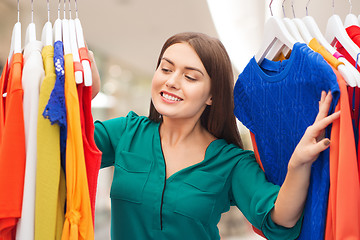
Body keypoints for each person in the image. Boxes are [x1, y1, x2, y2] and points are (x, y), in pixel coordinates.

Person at [89, 32, 340, 240]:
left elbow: (281, 218)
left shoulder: (231, 162)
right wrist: (84, 98)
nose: (172, 81)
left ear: (212, 96)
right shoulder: (126, 132)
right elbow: (66, 151)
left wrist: (298, 164)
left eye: (190, 76)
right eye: (166, 69)